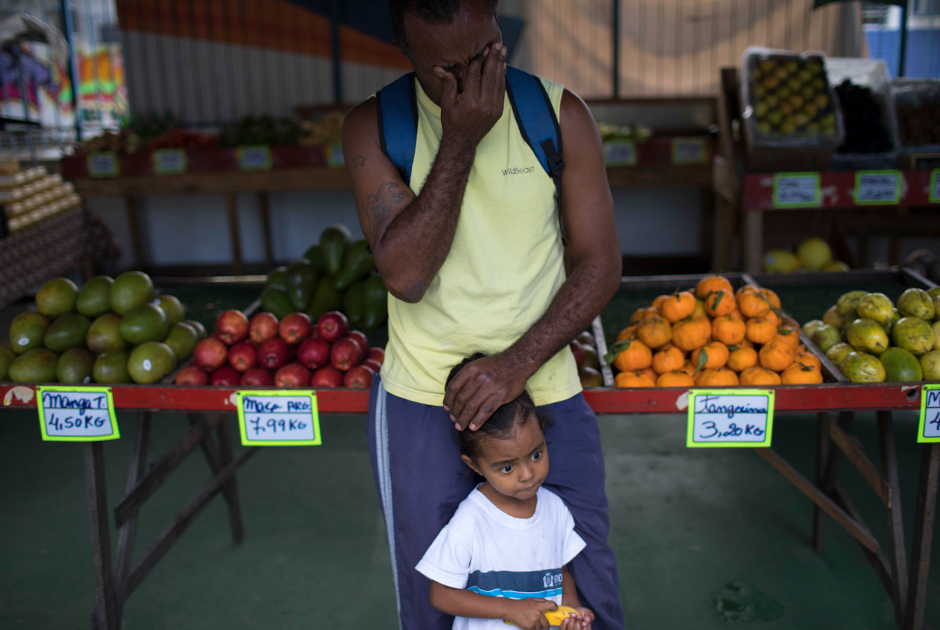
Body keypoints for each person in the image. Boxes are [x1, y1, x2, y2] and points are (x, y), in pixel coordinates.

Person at [342, 0, 623, 627]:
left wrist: (516, 363)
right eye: (449, 69)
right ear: (406, 54)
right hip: (423, 400)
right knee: (435, 598)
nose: (475, 82)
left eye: (487, 54)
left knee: (587, 590)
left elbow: (601, 265)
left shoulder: (558, 114)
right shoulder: (375, 126)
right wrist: (462, 134)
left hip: (544, 389)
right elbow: (408, 276)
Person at [417, 356, 594, 630]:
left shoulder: (555, 508)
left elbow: (561, 573)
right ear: (475, 465)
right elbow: (441, 594)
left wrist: (571, 613)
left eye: (536, 454)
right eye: (507, 467)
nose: (527, 474)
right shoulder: (472, 519)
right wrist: (512, 609)